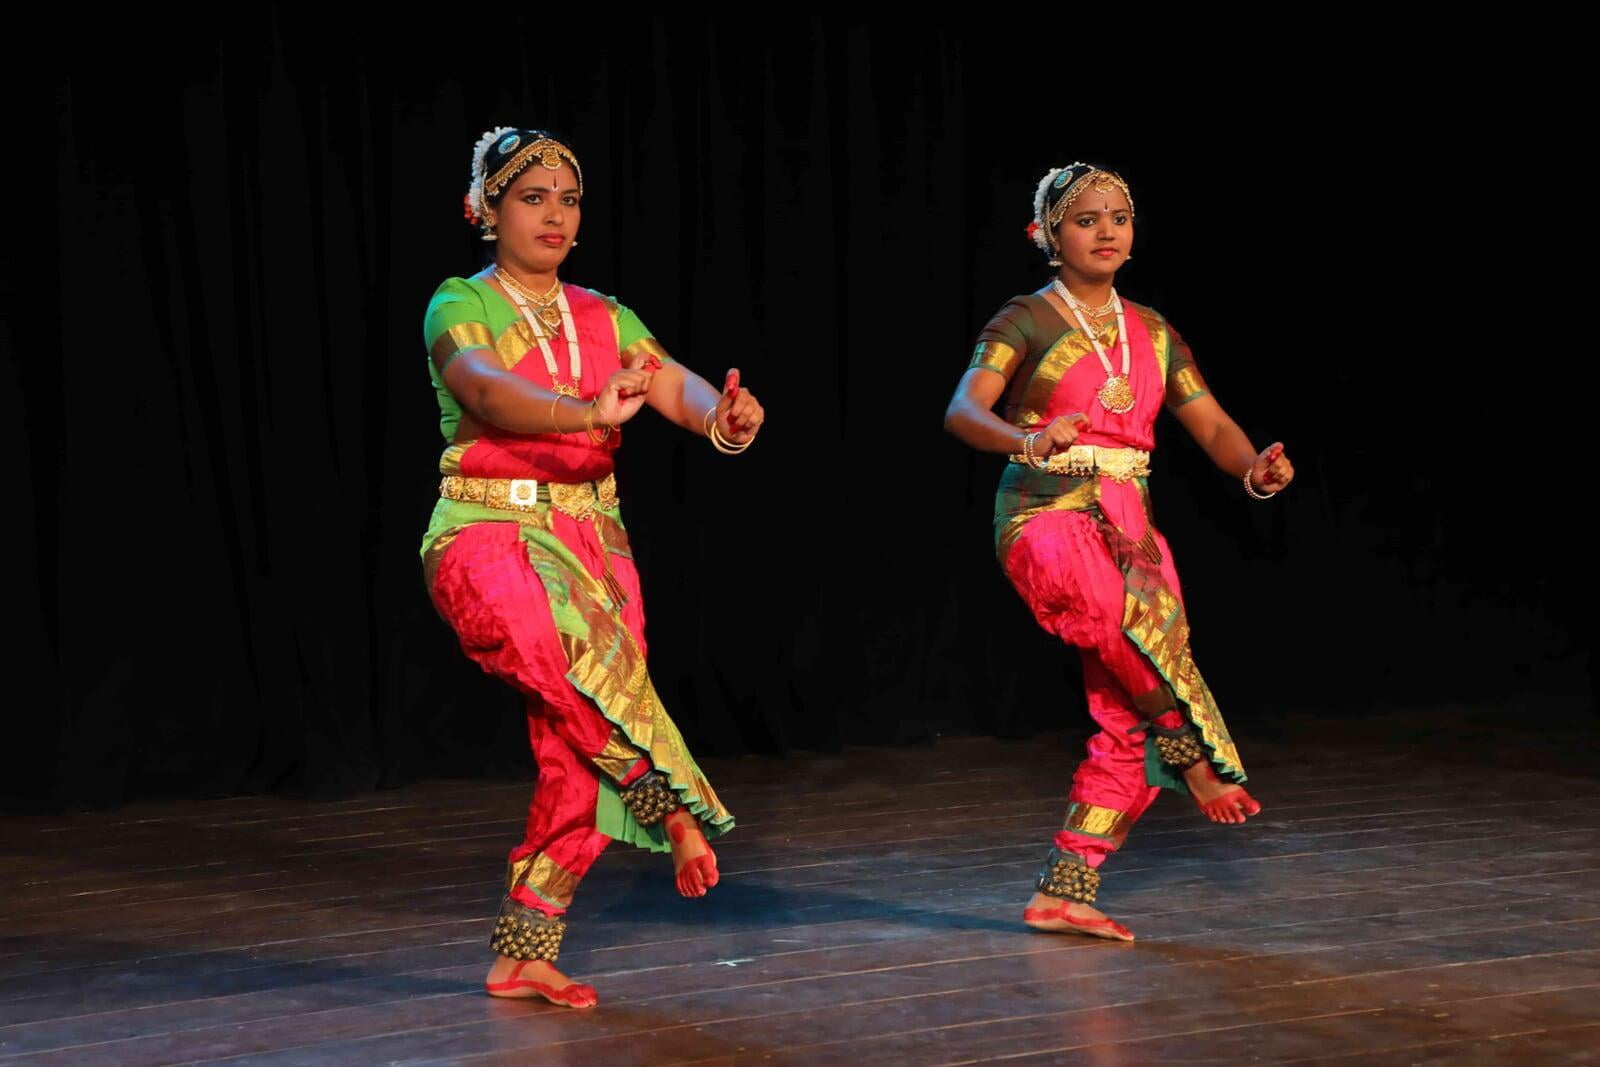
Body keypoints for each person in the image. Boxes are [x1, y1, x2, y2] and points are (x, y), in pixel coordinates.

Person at [421, 127, 764, 1005]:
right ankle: (669, 801)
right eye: (532, 198)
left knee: (575, 754)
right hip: (488, 530)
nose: (555, 216)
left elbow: (669, 380)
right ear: (486, 209)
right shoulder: (460, 301)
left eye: (568, 200)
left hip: (593, 543)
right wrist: (584, 410)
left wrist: (720, 419)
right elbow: (483, 387)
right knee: (578, 673)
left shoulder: (604, 314)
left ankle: (525, 946)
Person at [943, 162, 1294, 941]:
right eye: (1086, 219)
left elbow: (1212, 424)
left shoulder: (1155, 332)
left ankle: (1066, 887)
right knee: (1113, 621)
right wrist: (1028, 440)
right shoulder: (1026, 319)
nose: (1106, 231)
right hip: (1044, 510)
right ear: (1047, 235)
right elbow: (964, 408)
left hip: (1130, 524)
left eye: (1119, 218)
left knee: (1126, 716)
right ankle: (1194, 755)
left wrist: (1254, 470)